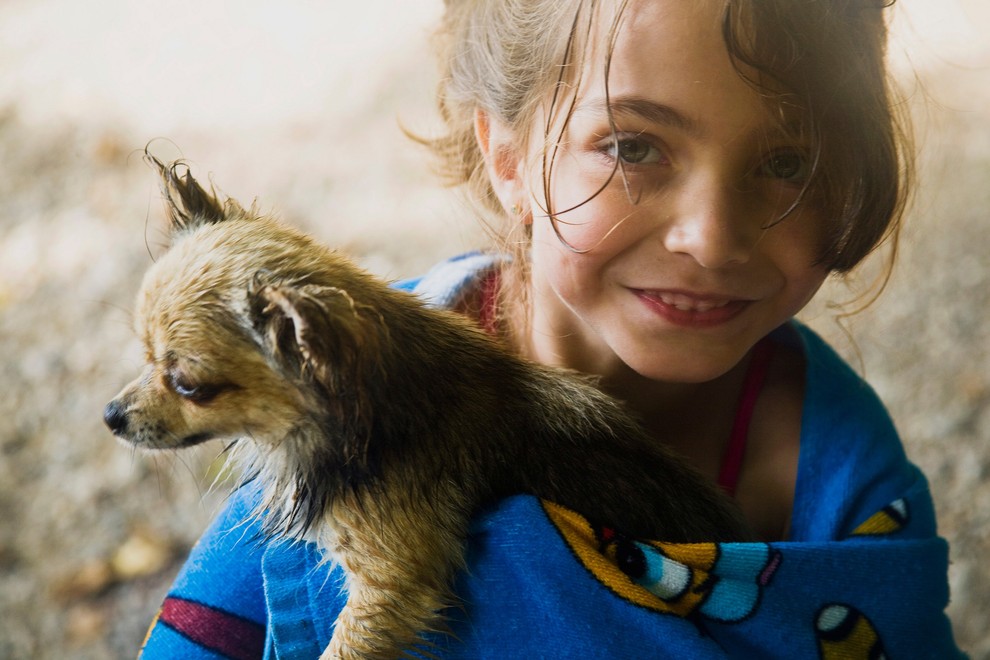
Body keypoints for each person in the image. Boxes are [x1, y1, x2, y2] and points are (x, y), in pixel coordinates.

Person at [139, 0, 963, 657]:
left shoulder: (851, 483)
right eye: (634, 146)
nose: (710, 238)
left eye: (788, 162)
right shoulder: (334, 392)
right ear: (507, 157)